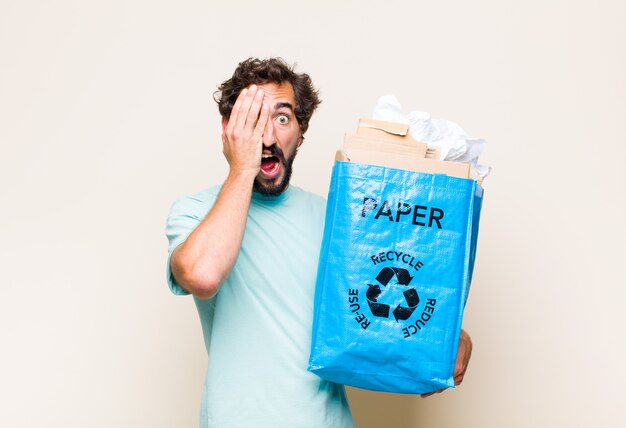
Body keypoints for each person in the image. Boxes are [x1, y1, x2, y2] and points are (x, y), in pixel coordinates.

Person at [165, 57, 472, 428]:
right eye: (253, 120)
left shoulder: (340, 220)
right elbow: (202, 275)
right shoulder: (196, 211)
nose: (267, 137)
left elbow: (381, 307)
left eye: (281, 118)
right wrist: (242, 168)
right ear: (229, 129)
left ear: (300, 129)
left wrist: (446, 341)